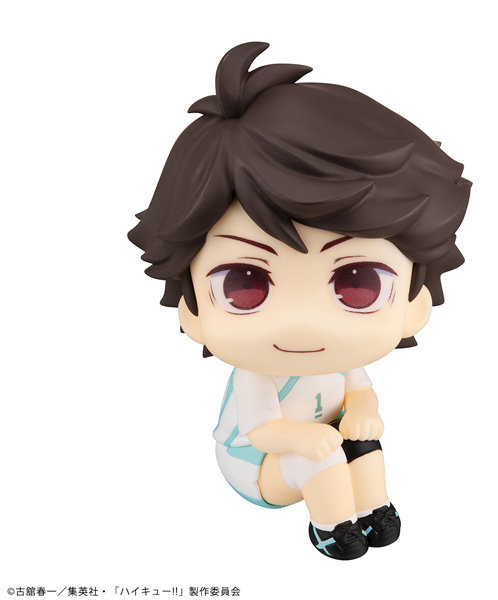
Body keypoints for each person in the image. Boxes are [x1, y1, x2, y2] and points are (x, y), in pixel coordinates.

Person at [128, 41, 471, 560]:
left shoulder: (343, 363)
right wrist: (302, 439)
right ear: (193, 310)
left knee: (361, 445)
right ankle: (331, 527)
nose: (304, 321)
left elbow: (360, 394)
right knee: (322, 459)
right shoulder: (257, 374)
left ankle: (374, 508)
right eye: (245, 285)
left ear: (413, 304)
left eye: (358, 283)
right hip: (254, 466)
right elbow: (262, 431)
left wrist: (364, 413)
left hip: (323, 440)